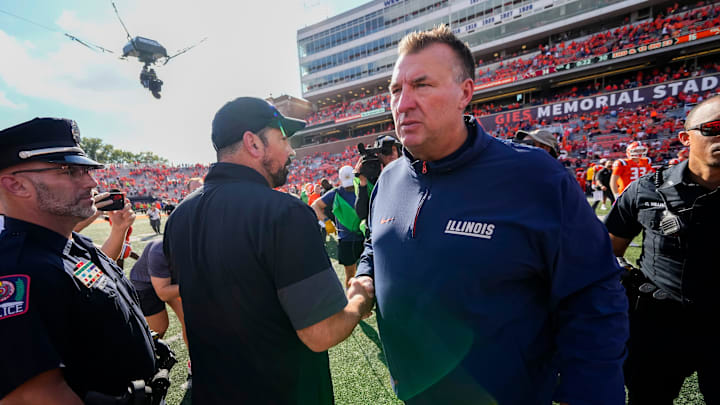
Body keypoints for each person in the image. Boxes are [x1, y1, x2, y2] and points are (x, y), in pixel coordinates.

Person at [356, 26, 628, 405]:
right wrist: (366, 276)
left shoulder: (535, 177)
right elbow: (376, 241)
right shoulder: (387, 180)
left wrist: (589, 394)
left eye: (422, 85)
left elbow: (593, 293)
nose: (403, 104)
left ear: (465, 93)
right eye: (396, 90)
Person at [163, 97, 374, 404]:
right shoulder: (285, 213)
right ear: (253, 143)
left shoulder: (179, 216)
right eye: (283, 138)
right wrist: (360, 296)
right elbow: (322, 333)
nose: (291, 151)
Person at [0, 118, 163, 403]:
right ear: (16, 185)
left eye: (87, 170)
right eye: (70, 171)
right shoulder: (16, 270)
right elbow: (32, 395)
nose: (92, 182)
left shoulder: (74, 245)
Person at [604, 95, 720, 404]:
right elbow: (604, 254)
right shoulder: (646, 189)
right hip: (658, 324)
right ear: (685, 137)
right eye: (714, 128)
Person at [312, 165, 366, 287]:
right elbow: (315, 206)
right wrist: (326, 221)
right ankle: (351, 299)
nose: (349, 187)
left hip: (364, 237)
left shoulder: (362, 188)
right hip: (346, 240)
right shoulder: (335, 193)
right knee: (350, 274)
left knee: (369, 271)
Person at [354, 134, 402, 224]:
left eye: (394, 150)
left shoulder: (408, 172)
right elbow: (362, 213)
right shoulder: (369, 178)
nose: (391, 154)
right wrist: (363, 183)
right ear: (378, 155)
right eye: (386, 151)